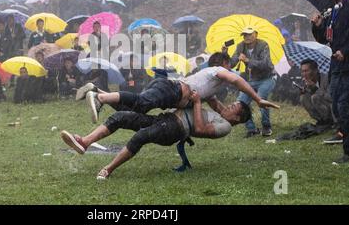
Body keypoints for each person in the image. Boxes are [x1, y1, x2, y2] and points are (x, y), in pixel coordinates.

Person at [61, 92, 252, 180]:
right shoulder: (221, 113)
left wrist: (196, 103)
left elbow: (201, 129)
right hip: (167, 118)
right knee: (121, 117)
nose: (228, 106)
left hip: (175, 128)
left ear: (237, 117)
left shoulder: (225, 126)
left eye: (233, 107)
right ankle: (85, 142)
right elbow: (212, 96)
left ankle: (108, 169)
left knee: (141, 136)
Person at [77, 52, 278, 123]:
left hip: (170, 89)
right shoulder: (218, 71)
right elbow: (237, 81)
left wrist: (231, 117)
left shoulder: (211, 84)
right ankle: (100, 99)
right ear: (223, 64)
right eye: (230, 64)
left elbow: (216, 105)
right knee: (140, 103)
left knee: (133, 109)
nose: (232, 68)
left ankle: (96, 91)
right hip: (172, 89)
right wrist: (257, 99)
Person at [311, 0, 349, 163]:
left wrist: (345, 50)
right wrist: (317, 26)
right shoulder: (335, 9)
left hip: (347, 64)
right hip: (337, 66)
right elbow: (326, 39)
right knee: (337, 104)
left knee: (344, 106)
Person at [224, 27, 276, 138]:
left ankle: (266, 126)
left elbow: (265, 64)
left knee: (261, 98)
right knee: (241, 102)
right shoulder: (240, 46)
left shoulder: (263, 45)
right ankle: (251, 129)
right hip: (251, 80)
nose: (246, 37)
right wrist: (225, 54)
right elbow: (232, 64)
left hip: (267, 77)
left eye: (249, 34)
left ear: (256, 34)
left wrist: (247, 61)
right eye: (244, 35)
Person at [299, 59, 335, 128]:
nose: (304, 74)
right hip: (322, 111)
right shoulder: (306, 81)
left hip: (332, 109)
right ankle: (321, 121)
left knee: (315, 97)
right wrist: (304, 91)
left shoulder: (327, 79)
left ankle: (331, 121)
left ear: (315, 70)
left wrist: (316, 89)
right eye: (302, 71)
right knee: (303, 98)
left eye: (306, 71)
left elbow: (331, 98)